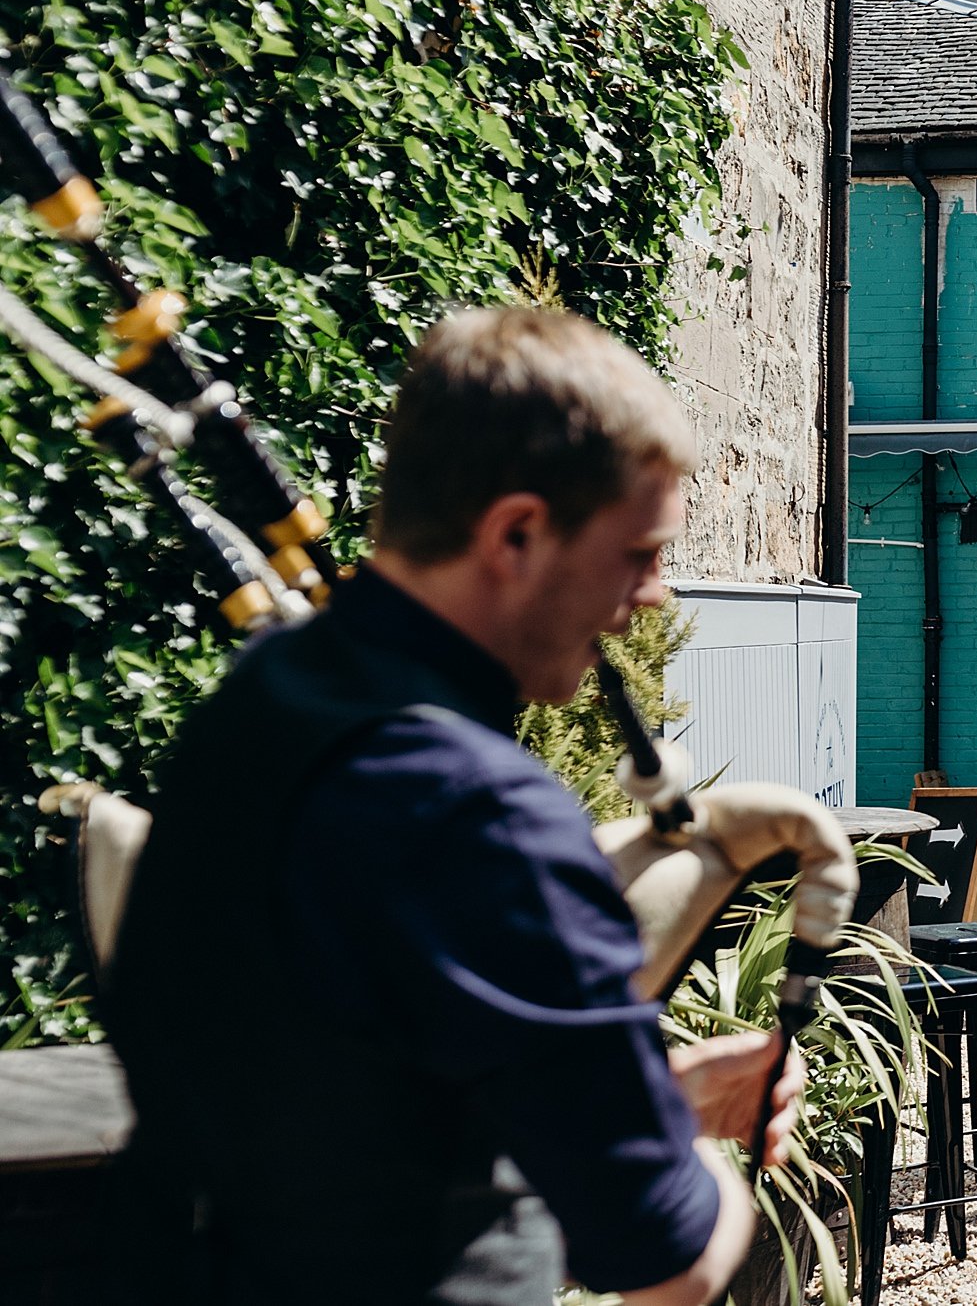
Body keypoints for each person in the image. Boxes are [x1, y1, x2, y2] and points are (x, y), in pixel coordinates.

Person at [104, 307, 802, 1305]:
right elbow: (668, 1259)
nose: (654, 594)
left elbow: (340, 1098)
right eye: (638, 552)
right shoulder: (483, 813)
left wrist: (648, 1109)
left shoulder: (267, 690)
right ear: (516, 531)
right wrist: (694, 1166)